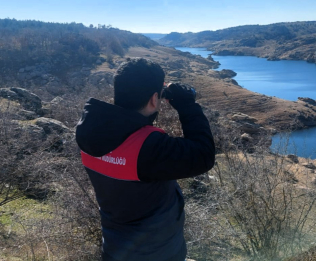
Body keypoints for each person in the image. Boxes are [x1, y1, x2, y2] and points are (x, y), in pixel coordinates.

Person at [75, 57, 215, 261]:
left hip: (115, 248)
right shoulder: (147, 147)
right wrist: (187, 105)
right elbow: (203, 155)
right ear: (153, 99)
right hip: (158, 253)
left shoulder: (88, 132)